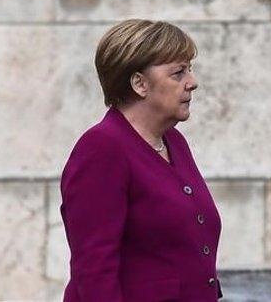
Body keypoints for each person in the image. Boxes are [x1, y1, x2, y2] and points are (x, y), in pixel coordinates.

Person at [59, 20, 222, 301]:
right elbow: (94, 271)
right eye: (178, 73)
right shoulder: (101, 149)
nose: (192, 82)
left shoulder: (174, 142)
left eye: (190, 70)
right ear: (139, 83)